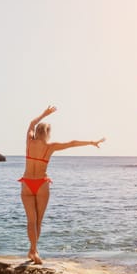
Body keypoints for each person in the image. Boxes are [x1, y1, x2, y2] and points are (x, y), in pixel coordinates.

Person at [19, 105, 105, 264]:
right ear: (47, 134)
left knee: (31, 220)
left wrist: (44, 114)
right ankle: (33, 251)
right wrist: (91, 142)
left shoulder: (29, 142)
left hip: (27, 183)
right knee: (38, 221)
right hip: (41, 184)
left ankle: (33, 250)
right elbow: (71, 143)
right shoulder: (50, 147)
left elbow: (31, 123)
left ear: (37, 132)